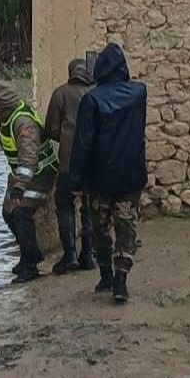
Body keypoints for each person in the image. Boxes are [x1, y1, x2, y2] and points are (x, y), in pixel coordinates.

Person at [69, 43, 148, 303]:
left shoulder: (91, 99)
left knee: (99, 228)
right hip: (130, 175)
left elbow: (82, 143)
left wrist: (75, 180)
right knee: (126, 227)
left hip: (99, 178)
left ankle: (106, 275)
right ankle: (121, 279)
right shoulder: (139, 93)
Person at [0, 83, 58, 284]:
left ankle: (30, 266)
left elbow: (29, 158)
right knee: (8, 213)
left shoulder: (23, 122)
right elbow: (1, 140)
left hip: (40, 175)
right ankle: (30, 255)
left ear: (2, 103)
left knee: (21, 214)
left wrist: (19, 187)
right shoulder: (9, 119)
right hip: (25, 176)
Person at [44, 59, 95, 275]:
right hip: (92, 162)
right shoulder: (96, 92)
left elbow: (51, 128)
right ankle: (88, 254)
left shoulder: (60, 94)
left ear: (71, 73)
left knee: (65, 204)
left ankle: (70, 254)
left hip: (68, 161)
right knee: (89, 206)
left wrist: (66, 139)